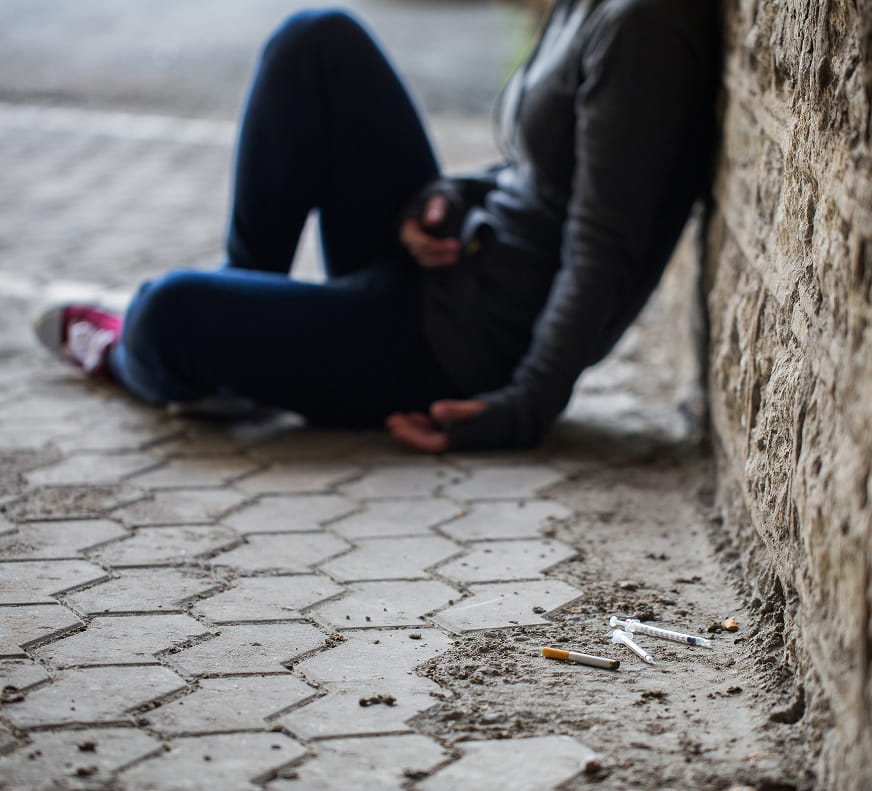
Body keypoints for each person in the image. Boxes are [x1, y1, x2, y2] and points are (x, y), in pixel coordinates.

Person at [34, 0, 720, 452]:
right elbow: (535, 174)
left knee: (166, 314)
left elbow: (603, 245)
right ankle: (239, 332)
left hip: (452, 350)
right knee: (316, 41)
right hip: (446, 261)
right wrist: (446, 197)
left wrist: (524, 406)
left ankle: (129, 352)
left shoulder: (643, 29)